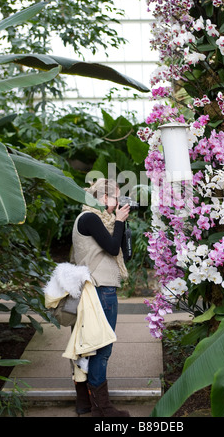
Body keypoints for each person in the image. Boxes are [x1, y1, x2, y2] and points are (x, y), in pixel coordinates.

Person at [71, 178, 130, 418]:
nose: (118, 202)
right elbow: (113, 249)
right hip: (99, 289)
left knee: (88, 347)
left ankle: (86, 403)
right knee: (101, 348)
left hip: (97, 288)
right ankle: (102, 408)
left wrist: (120, 224)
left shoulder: (98, 219)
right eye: (116, 197)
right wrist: (118, 221)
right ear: (104, 198)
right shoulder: (90, 218)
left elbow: (123, 249)